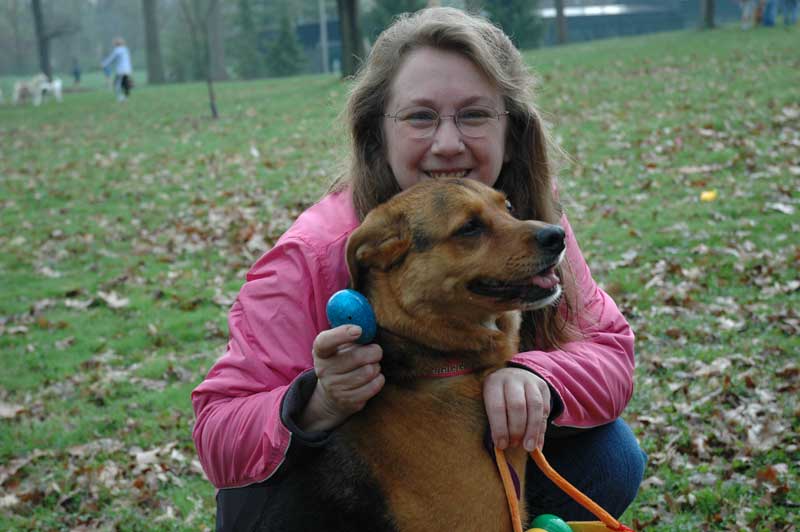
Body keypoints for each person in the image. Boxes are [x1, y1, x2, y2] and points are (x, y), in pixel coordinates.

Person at [192, 7, 646, 531]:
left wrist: (538, 378)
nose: (448, 143)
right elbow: (216, 432)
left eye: (474, 115)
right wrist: (317, 401)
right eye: (420, 116)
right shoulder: (316, 252)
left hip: (462, 444)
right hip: (328, 500)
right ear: (376, 130)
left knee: (610, 455)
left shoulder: (522, 220)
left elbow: (610, 349)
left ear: (511, 128)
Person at [101, 37, 133, 101]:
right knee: (125, 83)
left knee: (116, 84)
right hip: (127, 69)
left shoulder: (117, 50)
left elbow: (111, 59)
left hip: (121, 70)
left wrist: (104, 64)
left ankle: (120, 97)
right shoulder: (125, 49)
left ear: (116, 44)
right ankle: (126, 97)